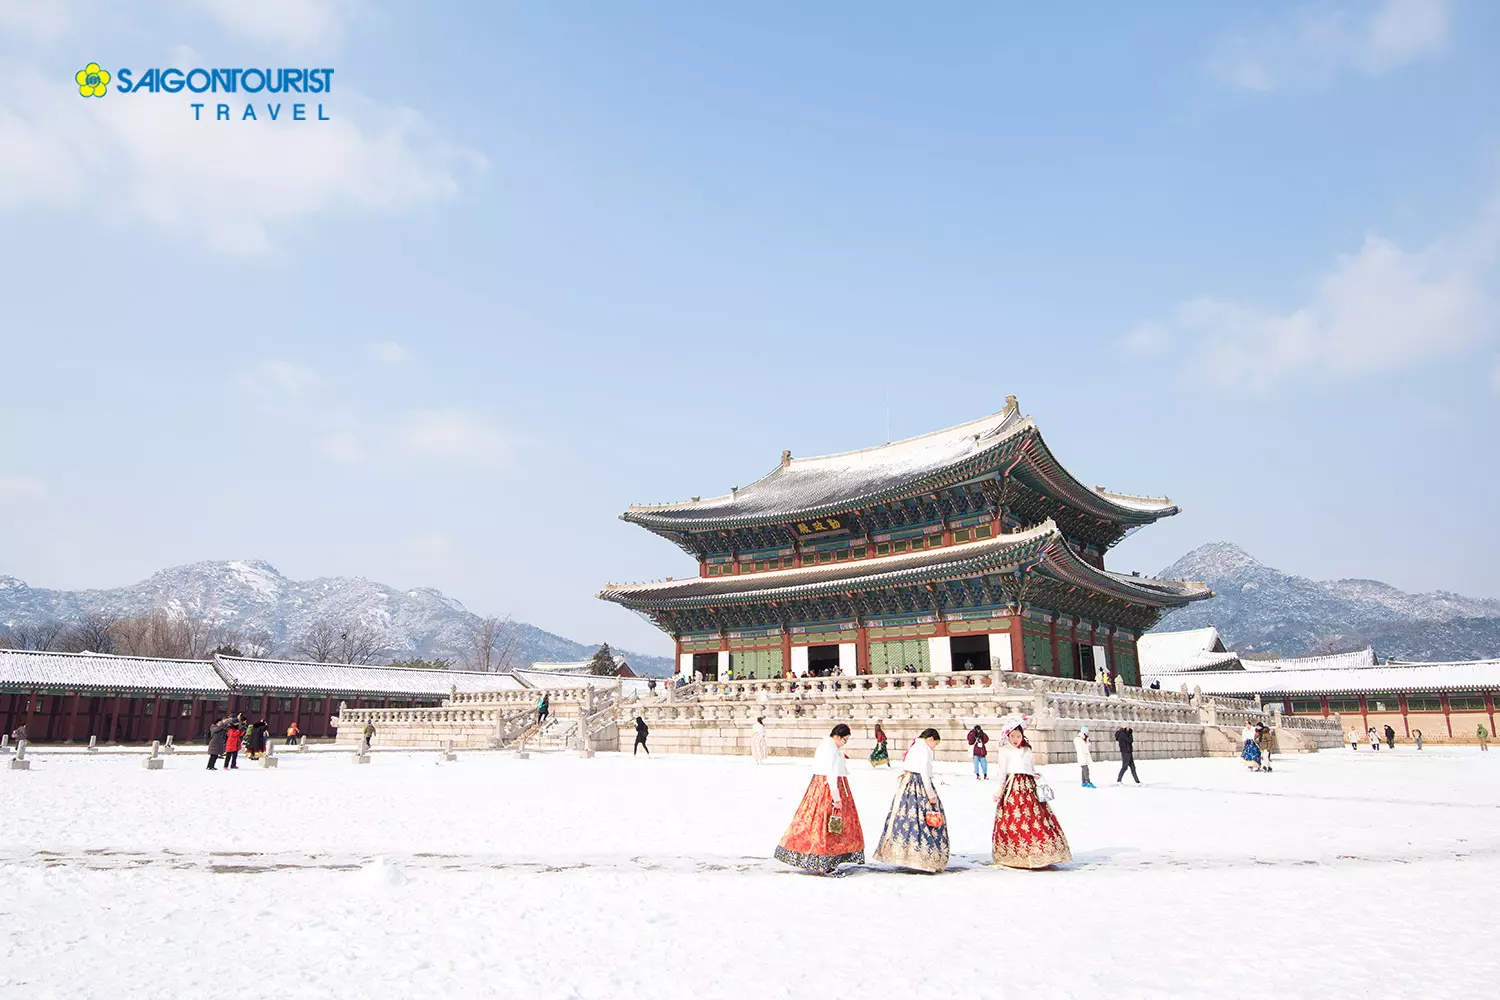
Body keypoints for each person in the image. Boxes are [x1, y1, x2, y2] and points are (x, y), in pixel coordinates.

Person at [774, 724, 865, 875]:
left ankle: (822, 860)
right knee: (828, 825)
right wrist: (837, 798)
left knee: (818, 824)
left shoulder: (825, 746)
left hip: (819, 787)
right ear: (837, 737)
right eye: (845, 740)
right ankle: (826, 861)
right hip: (828, 790)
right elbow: (831, 775)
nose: (844, 743)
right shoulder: (831, 751)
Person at [991, 717, 1071, 869]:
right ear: (1008, 736)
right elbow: (1001, 772)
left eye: (1018, 736)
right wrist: (999, 790)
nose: (1015, 739)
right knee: (1016, 819)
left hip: (1028, 786)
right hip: (1013, 786)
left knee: (1036, 818)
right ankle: (1016, 854)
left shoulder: (1027, 749)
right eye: (1013, 736)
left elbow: (1030, 767)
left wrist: (1036, 775)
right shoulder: (1004, 750)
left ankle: (1042, 851)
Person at [872, 728, 949, 873]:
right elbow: (925, 773)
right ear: (931, 739)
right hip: (919, 784)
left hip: (907, 785)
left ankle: (904, 853)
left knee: (907, 819)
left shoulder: (915, 746)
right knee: (924, 820)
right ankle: (925, 855)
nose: (934, 747)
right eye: (935, 744)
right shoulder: (925, 749)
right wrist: (930, 794)